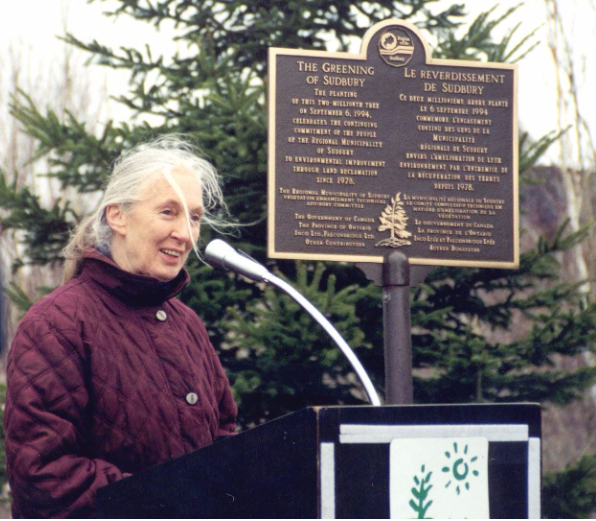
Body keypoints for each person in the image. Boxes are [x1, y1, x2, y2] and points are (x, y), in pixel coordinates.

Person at [3, 135, 238, 518]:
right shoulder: (56, 324)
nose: (185, 233)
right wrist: (168, 500)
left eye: (194, 217)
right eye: (168, 212)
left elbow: (224, 433)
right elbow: (44, 476)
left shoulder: (187, 324)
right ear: (117, 216)